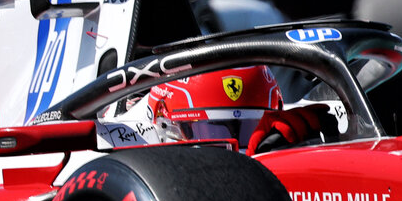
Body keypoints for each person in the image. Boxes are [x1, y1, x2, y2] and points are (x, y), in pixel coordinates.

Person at [97, 66, 340, 153]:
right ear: (164, 125)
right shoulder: (112, 141)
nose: (242, 150)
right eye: (212, 132)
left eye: (251, 131)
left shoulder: (294, 128)